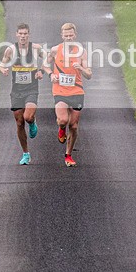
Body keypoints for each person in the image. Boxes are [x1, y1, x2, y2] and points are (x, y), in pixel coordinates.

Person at [44, 22, 92, 167]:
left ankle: (68, 155)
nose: (69, 38)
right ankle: (61, 128)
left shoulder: (82, 52)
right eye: (66, 36)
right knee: (63, 120)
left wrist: (81, 69)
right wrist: (51, 74)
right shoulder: (55, 50)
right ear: (62, 36)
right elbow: (45, 65)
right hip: (60, 90)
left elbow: (89, 74)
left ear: (75, 35)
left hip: (77, 91)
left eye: (71, 35)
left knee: (74, 126)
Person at [0, 23, 45, 165]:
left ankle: (32, 122)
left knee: (28, 116)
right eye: (20, 34)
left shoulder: (36, 48)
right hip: (17, 91)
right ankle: (26, 153)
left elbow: (48, 59)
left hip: (31, 88)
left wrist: (41, 71)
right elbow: (3, 63)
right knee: (19, 122)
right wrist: (3, 69)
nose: (23, 36)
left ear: (29, 34)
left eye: (25, 34)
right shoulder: (11, 50)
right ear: (16, 35)